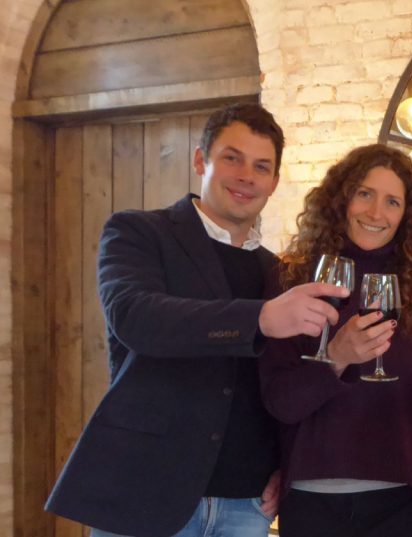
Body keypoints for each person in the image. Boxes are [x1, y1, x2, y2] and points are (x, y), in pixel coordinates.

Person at [45, 102, 349, 537]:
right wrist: (260, 318)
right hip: (144, 494)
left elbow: (280, 386)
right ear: (199, 159)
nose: (247, 176)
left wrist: (285, 463)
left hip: (245, 505)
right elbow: (137, 318)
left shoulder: (279, 271)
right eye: (232, 158)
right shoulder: (137, 233)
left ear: (274, 182)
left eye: (261, 166)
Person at [259, 144, 412, 537]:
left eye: (392, 202)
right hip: (310, 502)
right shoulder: (290, 281)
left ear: (406, 215)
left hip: (403, 504)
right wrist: (335, 358)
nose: (376, 213)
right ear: (342, 198)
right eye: (365, 194)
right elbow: (279, 403)